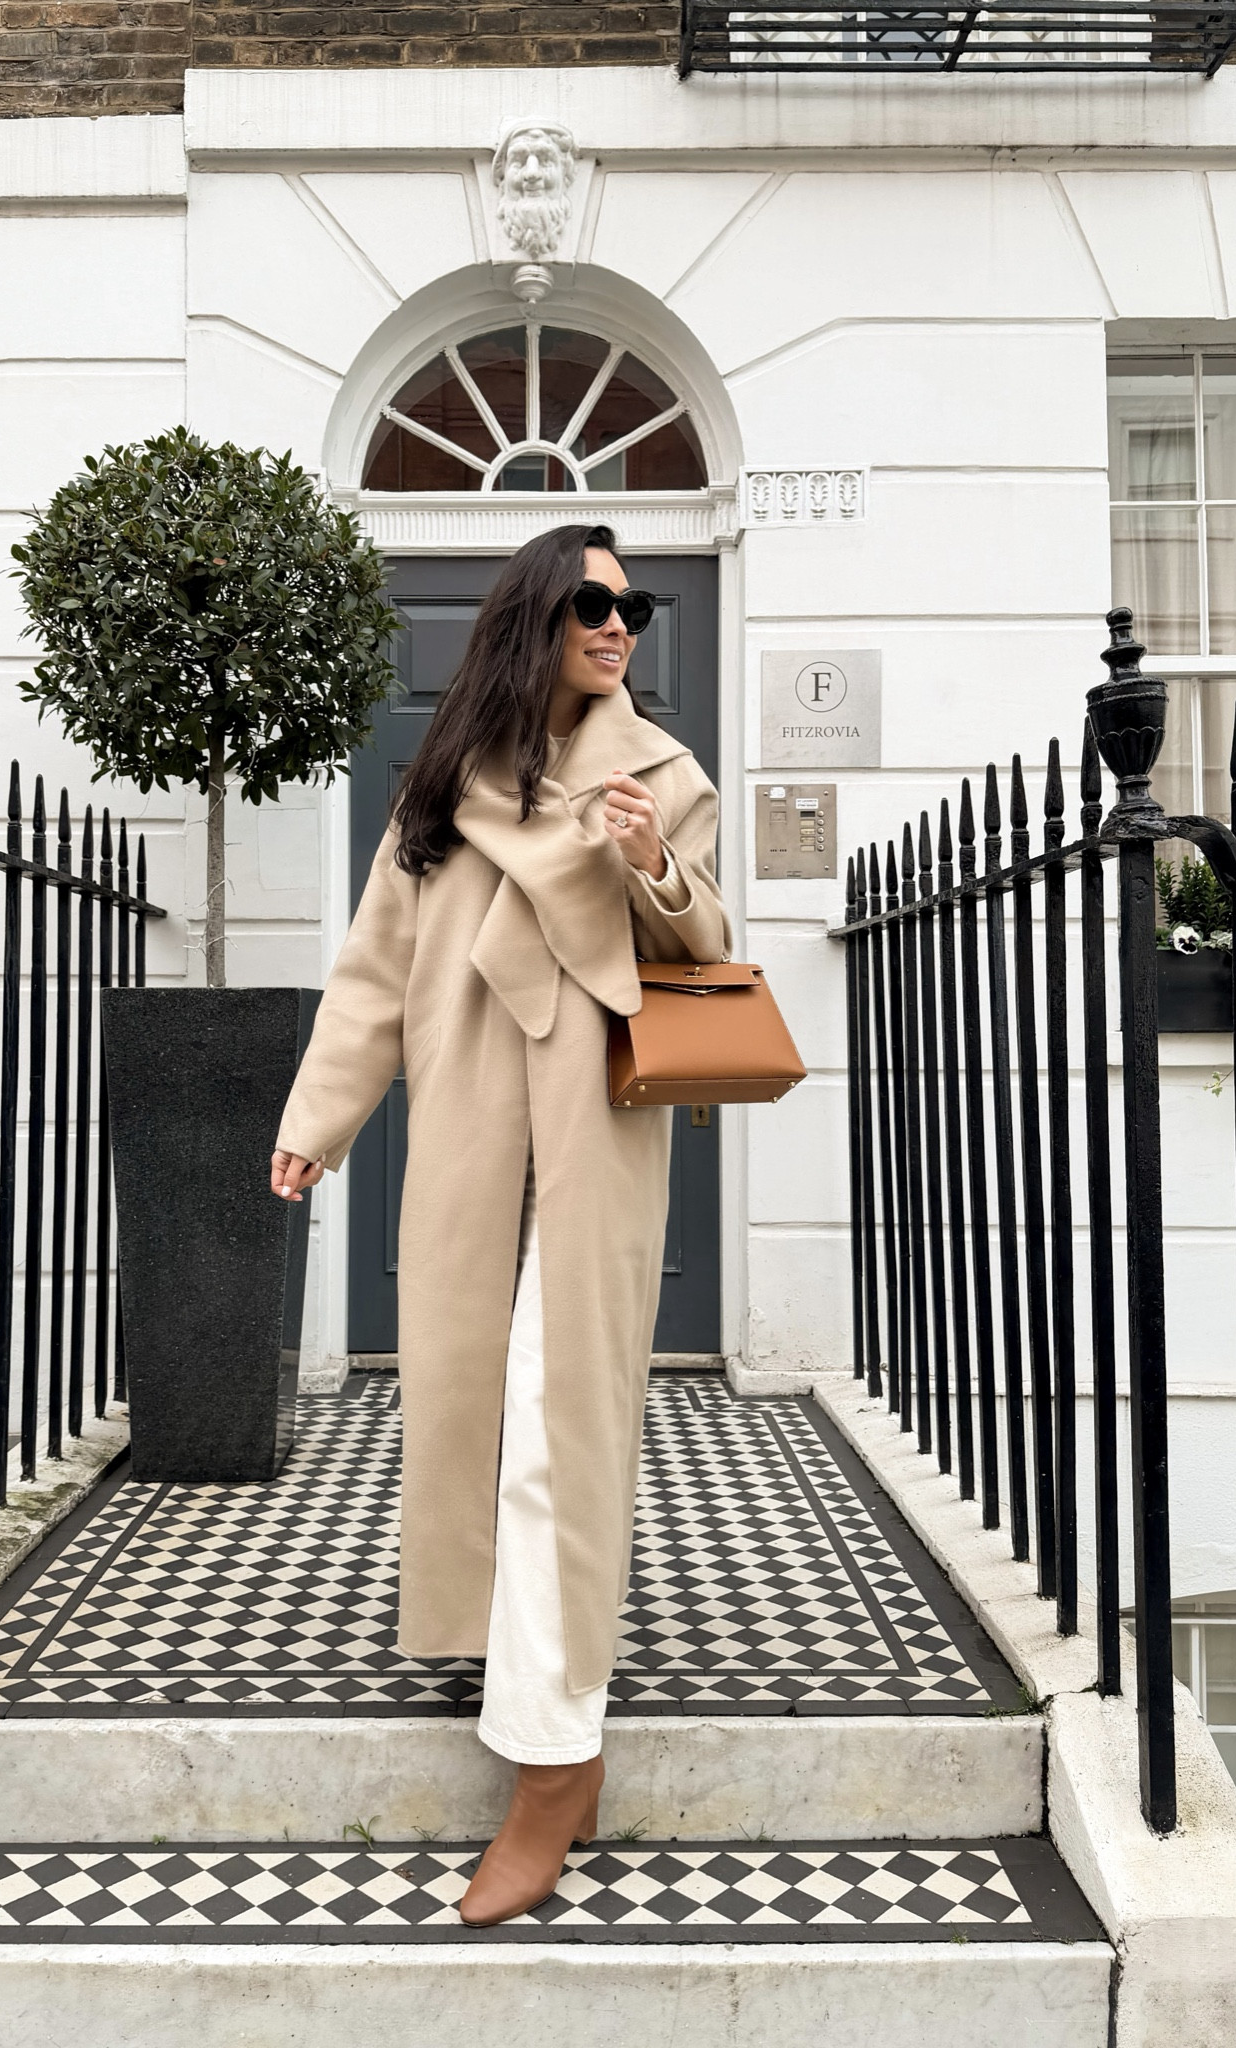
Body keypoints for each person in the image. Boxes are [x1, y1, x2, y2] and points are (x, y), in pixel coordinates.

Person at [270, 523, 730, 1926]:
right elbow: (376, 967)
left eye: (634, 604)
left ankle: (553, 1759)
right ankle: (509, 1647)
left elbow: (703, 948)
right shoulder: (442, 786)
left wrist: (651, 869)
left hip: (591, 1132)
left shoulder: (663, 774)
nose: (620, 625)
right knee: (472, 1410)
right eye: (595, 602)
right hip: (474, 1130)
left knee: (556, 1427)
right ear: (534, 615)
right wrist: (317, 1116)